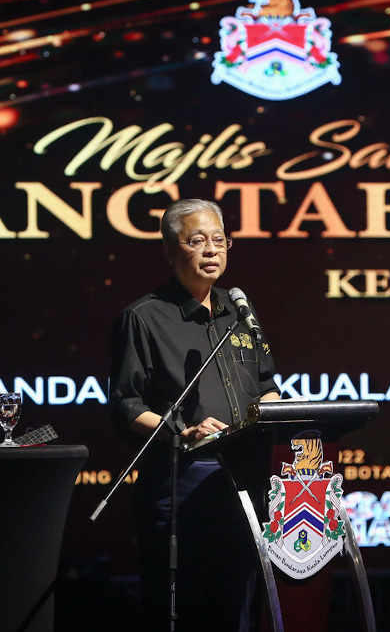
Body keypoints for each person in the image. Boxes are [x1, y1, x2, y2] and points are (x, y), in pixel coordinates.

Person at [109, 198, 280, 631]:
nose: (211, 250)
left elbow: (266, 386)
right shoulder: (143, 317)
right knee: (185, 610)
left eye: (219, 240)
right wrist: (181, 432)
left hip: (246, 477)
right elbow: (127, 408)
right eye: (197, 240)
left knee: (238, 606)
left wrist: (280, 417)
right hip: (182, 480)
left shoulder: (240, 311)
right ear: (170, 250)